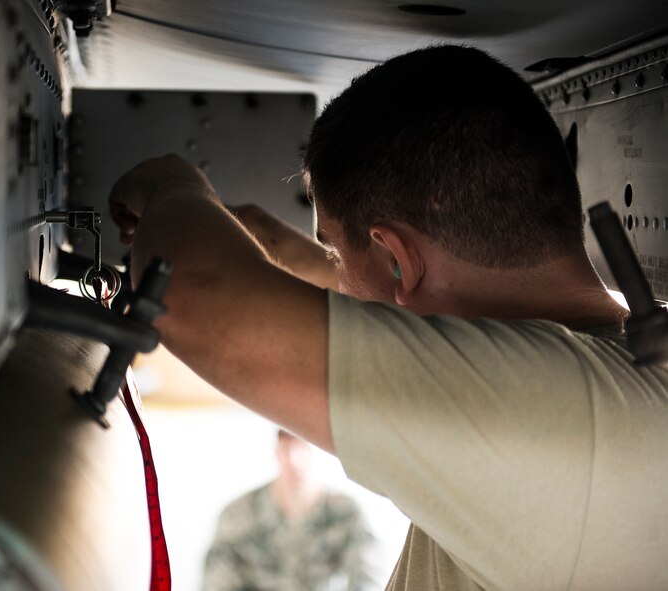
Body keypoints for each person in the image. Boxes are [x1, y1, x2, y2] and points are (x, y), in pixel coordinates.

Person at [108, 44, 668, 590]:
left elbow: (196, 297)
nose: (338, 275)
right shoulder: (613, 384)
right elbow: (412, 299)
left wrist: (169, 185)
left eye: (337, 253)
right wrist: (307, 259)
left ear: (398, 260)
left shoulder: (551, 410)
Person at [203, 429, 381, 590]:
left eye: (303, 447)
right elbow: (217, 582)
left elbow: (368, 579)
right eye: (287, 448)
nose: (295, 461)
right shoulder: (238, 514)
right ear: (277, 452)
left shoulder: (346, 513)